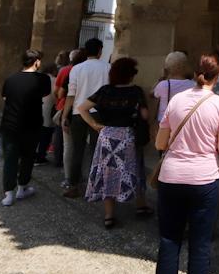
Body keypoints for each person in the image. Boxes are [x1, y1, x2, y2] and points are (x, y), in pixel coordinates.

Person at [155, 53, 219, 274]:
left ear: (194, 74)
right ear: (218, 76)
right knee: (199, 246)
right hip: (204, 179)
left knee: (169, 243)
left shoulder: (177, 100)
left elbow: (159, 143)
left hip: (171, 177)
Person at [76, 56, 152, 227]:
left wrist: (95, 125)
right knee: (134, 168)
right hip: (127, 136)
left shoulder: (105, 91)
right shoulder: (136, 91)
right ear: (131, 75)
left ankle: (109, 215)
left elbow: (81, 108)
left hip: (107, 136)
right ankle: (141, 205)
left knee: (108, 171)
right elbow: (145, 115)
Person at [0, 50, 52, 206]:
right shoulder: (43, 79)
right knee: (28, 157)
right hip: (32, 124)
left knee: (10, 159)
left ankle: (8, 193)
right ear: (36, 62)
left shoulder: (10, 79)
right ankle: (22, 187)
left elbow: (5, 97)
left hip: (10, 124)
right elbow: (45, 94)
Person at [63, 38, 109, 198]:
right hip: (99, 113)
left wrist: (64, 115)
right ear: (99, 51)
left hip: (78, 113)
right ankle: (95, 186)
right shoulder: (107, 68)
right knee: (97, 151)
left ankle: (74, 185)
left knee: (78, 150)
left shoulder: (76, 69)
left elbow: (71, 94)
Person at [53, 48, 82, 172]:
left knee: (61, 138)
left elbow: (58, 92)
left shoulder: (64, 70)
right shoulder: (80, 71)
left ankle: (59, 161)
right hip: (80, 108)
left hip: (64, 106)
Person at [153, 51, 196, 126]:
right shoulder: (193, 85)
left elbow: (152, 94)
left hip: (166, 125)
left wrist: (162, 77)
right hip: (186, 123)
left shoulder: (163, 85)